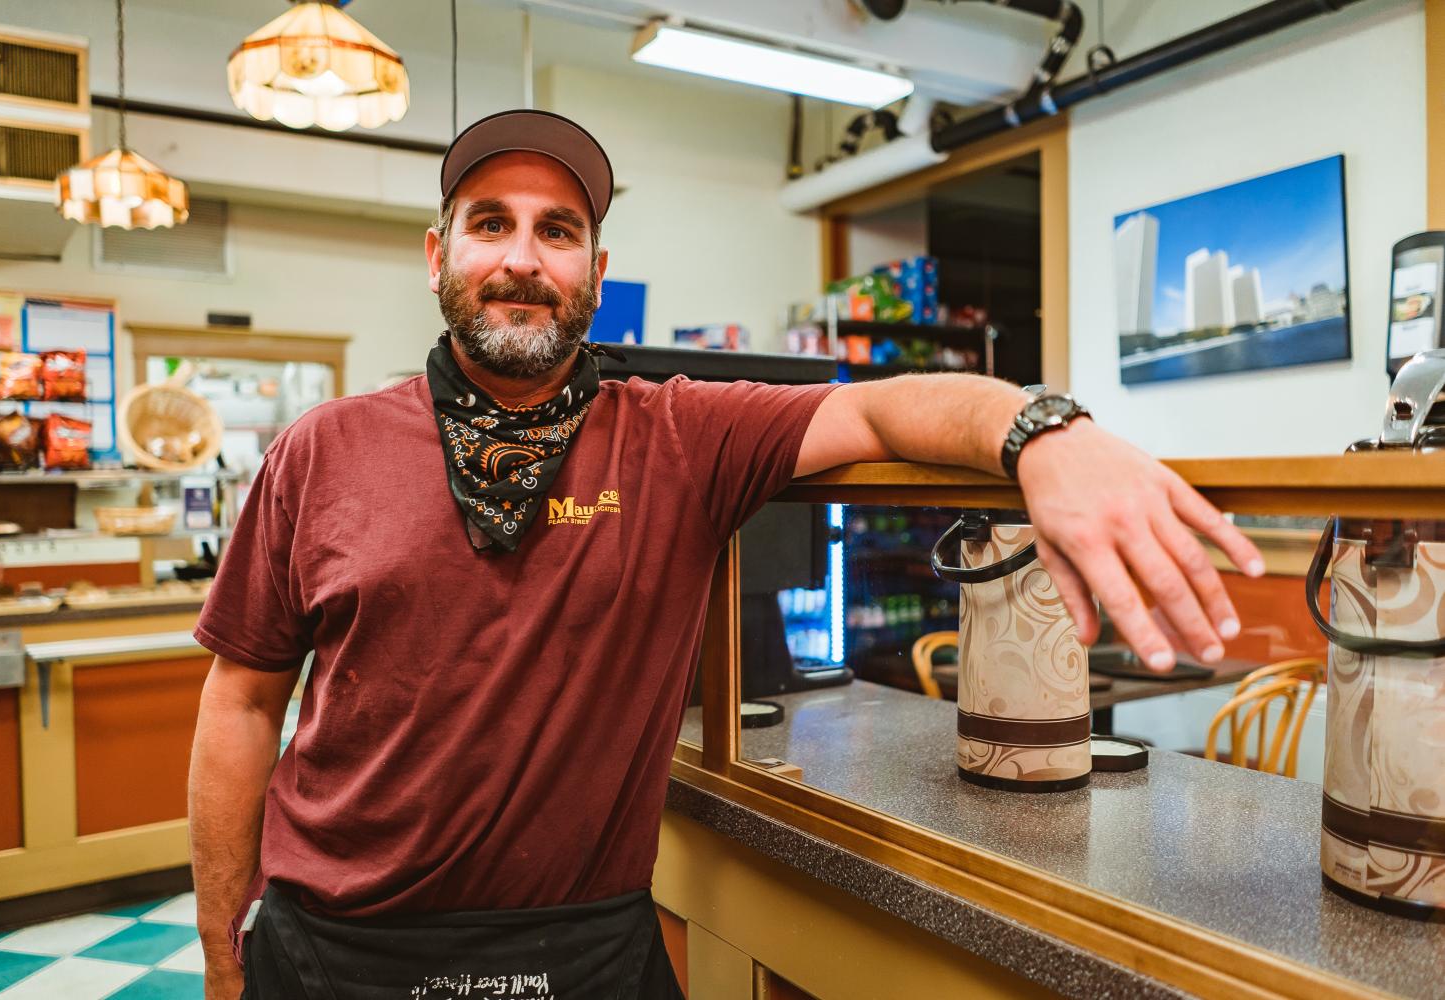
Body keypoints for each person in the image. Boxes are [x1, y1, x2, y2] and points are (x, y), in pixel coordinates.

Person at [189, 109, 1262, 1000]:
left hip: (584, 954)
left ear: (595, 272)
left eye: (557, 231)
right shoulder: (320, 449)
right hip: (333, 952)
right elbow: (241, 703)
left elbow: (890, 411)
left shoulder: (678, 435)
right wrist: (218, 943)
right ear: (439, 257)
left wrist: (1048, 431)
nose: (521, 258)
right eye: (490, 224)